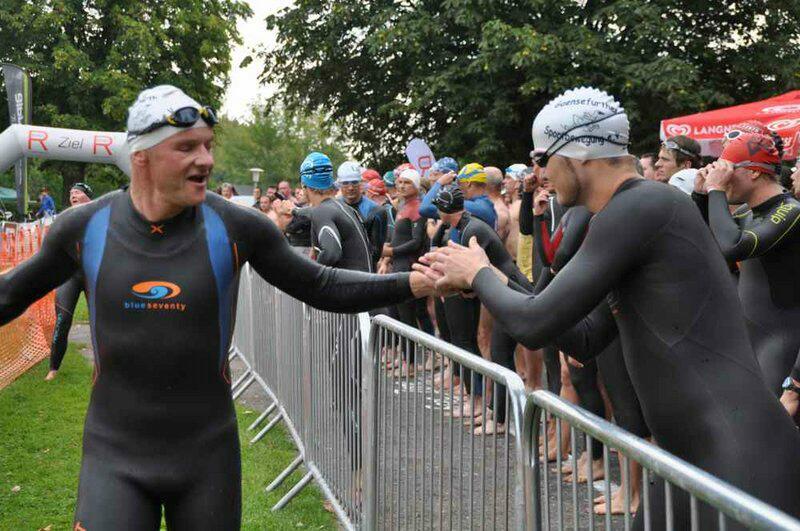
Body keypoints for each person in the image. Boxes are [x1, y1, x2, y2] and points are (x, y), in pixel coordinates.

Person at [1, 85, 432, 530]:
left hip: (206, 460)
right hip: (113, 458)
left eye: (207, 145)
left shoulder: (237, 226)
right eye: (187, 147)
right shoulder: (85, 227)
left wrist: (413, 283)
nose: (205, 159)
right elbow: (9, 295)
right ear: (141, 156)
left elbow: (320, 285)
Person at [419, 86, 800, 530]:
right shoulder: (630, 211)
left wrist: (480, 276)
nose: (541, 172)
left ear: (578, 155)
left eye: (543, 157)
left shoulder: (642, 207)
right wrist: (494, 278)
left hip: (739, 460)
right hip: (689, 462)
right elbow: (584, 337)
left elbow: (533, 323)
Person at [695, 133, 800, 395]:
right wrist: (701, 196)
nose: (721, 176)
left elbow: (733, 247)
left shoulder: (791, 211)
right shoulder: (746, 214)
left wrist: (716, 190)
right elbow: (706, 247)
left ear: (753, 172)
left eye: (727, 169)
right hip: (749, 343)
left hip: (782, 345)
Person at [432, 184, 533, 432]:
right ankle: (498, 414)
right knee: (499, 354)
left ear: (444, 209)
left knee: (501, 354)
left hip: (512, 290)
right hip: (505, 289)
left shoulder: (471, 231)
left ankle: (501, 418)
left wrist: (462, 290)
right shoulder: (464, 226)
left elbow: (477, 272)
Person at [382, 168, 433, 375]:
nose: (402, 186)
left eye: (407, 183)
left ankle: (411, 363)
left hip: (410, 266)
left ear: (417, 186)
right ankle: (406, 358)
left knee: (409, 316)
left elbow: (416, 242)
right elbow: (397, 237)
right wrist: (387, 258)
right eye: (400, 182)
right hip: (399, 265)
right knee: (401, 315)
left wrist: (391, 252)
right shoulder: (403, 206)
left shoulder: (418, 208)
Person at [44, 182, 94, 381]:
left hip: (93, 276)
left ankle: (106, 367)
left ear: (88, 196)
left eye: (78, 192)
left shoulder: (100, 216)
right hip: (69, 276)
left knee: (101, 322)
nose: (73, 195)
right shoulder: (64, 218)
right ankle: (53, 369)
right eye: (71, 193)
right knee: (62, 320)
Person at [419, 162, 497, 228]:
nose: (457, 187)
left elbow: (424, 208)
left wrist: (439, 183)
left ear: (468, 184)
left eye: (459, 183)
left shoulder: (475, 207)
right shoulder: (485, 204)